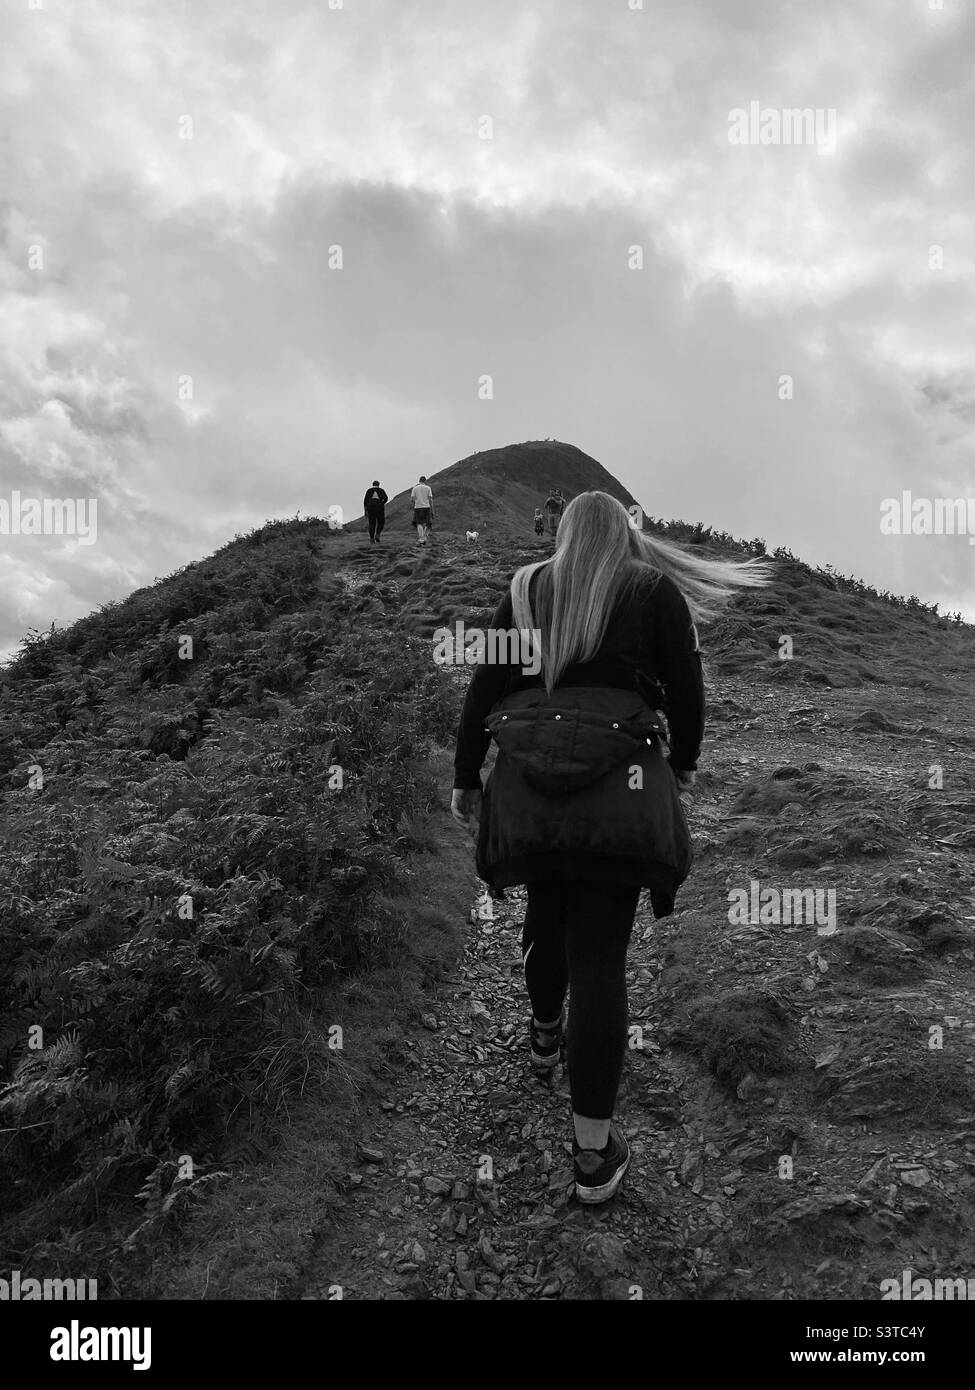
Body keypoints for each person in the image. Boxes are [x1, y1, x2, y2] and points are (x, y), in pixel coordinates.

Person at [449, 491, 770, 1204]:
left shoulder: (526, 588)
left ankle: (541, 1034)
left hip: (530, 789)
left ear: (561, 533)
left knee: (544, 912)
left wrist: (465, 773)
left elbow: (485, 684)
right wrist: (682, 759)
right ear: (626, 535)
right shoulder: (651, 588)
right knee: (599, 955)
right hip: (620, 793)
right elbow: (686, 689)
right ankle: (592, 1154)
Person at [411, 475, 434, 546]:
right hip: (427, 507)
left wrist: (416, 502)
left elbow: (412, 499)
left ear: (419, 480)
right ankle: (424, 537)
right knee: (428, 524)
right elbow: (430, 499)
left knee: (419, 523)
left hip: (418, 507)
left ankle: (421, 539)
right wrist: (432, 510)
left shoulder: (415, 488)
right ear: (425, 481)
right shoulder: (428, 488)